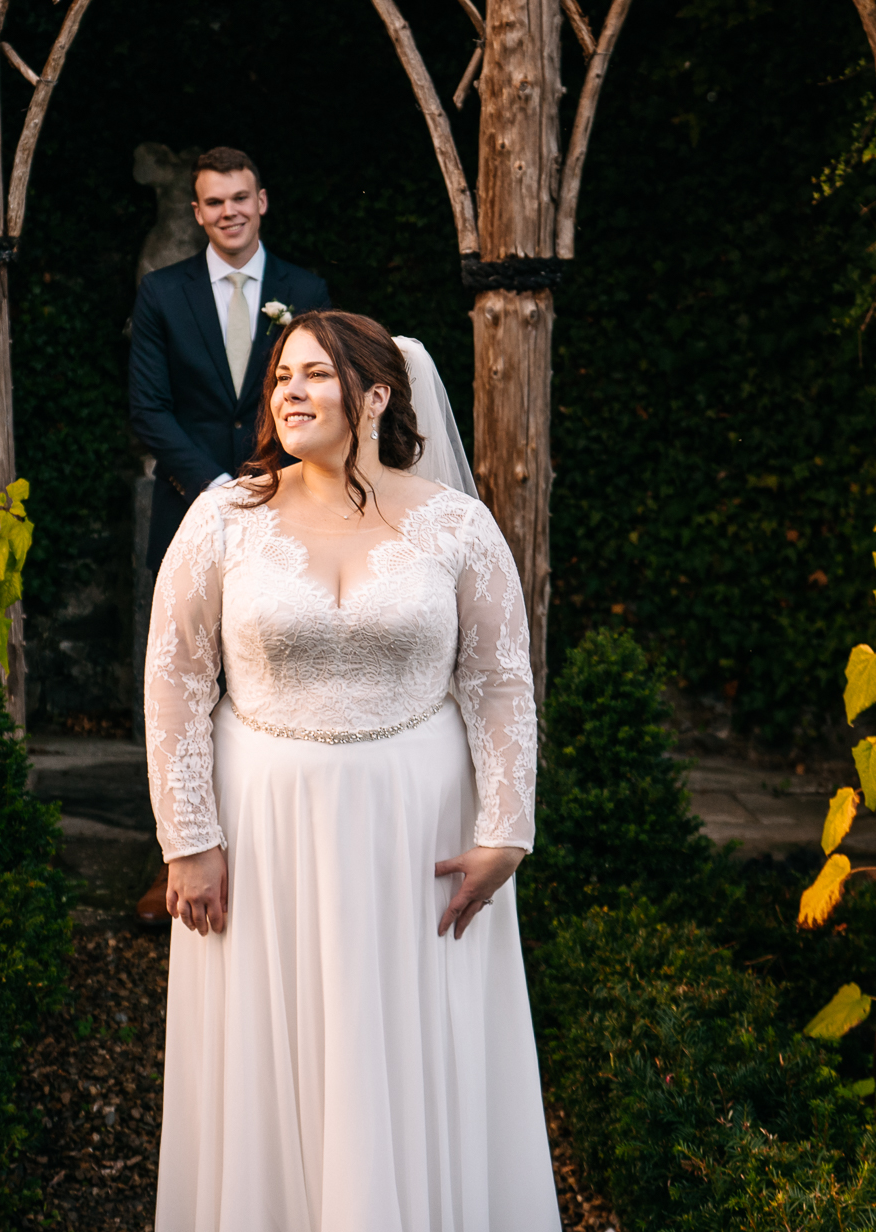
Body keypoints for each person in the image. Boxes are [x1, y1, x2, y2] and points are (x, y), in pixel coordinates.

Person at [144, 310, 560, 1230]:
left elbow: (498, 682)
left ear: (374, 396)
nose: (289, 392)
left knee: (407, 1048)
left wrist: (505, 832)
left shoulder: (458, 525)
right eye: (281, 378)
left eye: (314, 376)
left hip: (419, 832)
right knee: (269, 1052)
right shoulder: (223, 518)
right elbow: (174, 677)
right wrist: (189, 840)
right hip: (261, 830)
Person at [128, 146, 330, 926]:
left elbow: (318, 394)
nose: (229, 213)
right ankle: (175, 854)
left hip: (293, 508)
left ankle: (280, 848)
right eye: (213, 203)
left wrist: (275, 488)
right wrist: (220, 495)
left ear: (263, 200)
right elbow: (150, 409)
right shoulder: (162, 294)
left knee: (277, 669)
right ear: (197, 212)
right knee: (184, 681)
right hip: (191, 508)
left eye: (240, 198)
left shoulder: (305, 290)